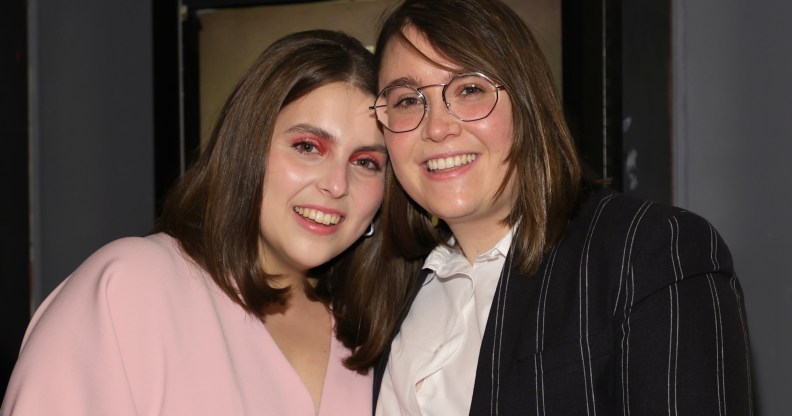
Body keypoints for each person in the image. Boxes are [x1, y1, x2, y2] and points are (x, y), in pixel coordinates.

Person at [370, 0, 754, 414]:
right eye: (407, 100)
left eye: (469, 90)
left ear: (528, 103)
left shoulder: (652, 253)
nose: (437, 127)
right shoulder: (385, 293)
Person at [1, 29, 396, 415]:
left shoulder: (380, 334)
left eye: (366, 162)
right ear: (247, 147)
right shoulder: (129, 290)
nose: (336, 184)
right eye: (308, 147)